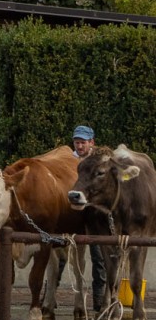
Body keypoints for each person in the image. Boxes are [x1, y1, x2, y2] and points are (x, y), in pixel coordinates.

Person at [70, 124, 107, 309]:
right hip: (73, 213)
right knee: (61, 254)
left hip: (95, 215)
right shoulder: (69, 160)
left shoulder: (100, 161)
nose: (79, 146)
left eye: (83, 142)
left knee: (99, 257)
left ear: (92, 142)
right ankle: (49, 297)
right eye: (77, 142)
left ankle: (99, 301)